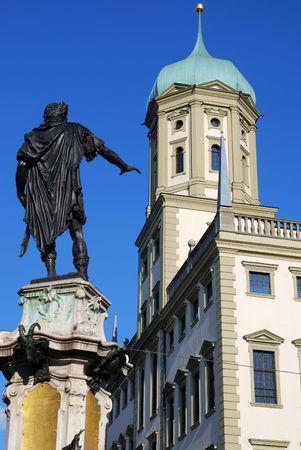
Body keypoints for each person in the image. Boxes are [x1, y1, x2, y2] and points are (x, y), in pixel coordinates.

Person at [16, 102, 140, 280]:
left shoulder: (33, 137)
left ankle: (51, 272)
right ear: (64, 116)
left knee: (44, 231)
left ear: (46, 117)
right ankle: (82, 273)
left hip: (41, 193)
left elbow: (22, 166)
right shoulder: (75, 130)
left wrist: (20, 192)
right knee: (77, 231)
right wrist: (123, 164)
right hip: (67, 190)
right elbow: (103, 150)